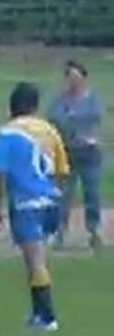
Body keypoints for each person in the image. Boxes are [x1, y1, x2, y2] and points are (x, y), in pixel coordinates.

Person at [0, 82, 69, 332]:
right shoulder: (49, 130)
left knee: (35, 260)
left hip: (26, 203)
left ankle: (47, 317)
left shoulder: (6, 133)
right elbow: (61, 170)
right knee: (38, 259)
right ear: (34, 106)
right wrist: (52, 195)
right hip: (50, 202)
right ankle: (38, 314)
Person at [47, 61, 104, 250]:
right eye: (70, 77)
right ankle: (59, 232)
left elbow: (94, 119)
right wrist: (72, 129)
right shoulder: (60, 100)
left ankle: (93, 231)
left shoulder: (92, 99)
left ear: (84, 79)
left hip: (89, 154)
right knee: (64, 195)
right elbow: (55, 119)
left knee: (92, 193)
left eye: (77, 77)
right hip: (67, 154)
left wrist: (74, 121)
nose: (74, 82)